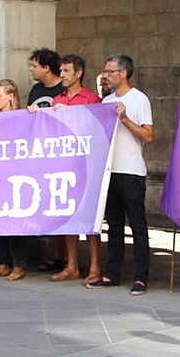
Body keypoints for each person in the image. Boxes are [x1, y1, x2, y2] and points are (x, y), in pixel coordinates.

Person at [88, 54, 154, 295]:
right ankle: (112, 273)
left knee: (137, 224)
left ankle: (141, 277)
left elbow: (148, 135)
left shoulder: (139, 99)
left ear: (123, 73)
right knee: (113, 224)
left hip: (131, 169)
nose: (106, 75)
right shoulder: (106, 100)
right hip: (110, 169)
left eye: (110, 71)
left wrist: (124, 118)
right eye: (105, 71)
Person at [48, 54, 103, 283]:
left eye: (66, 71)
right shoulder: (56, 99)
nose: (62, 75)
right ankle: (71, 266)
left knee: (90, 217)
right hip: (64, 164)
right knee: (68, 214)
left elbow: (96, 128)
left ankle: (94, 266)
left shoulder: (91, 98)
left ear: (78, 73)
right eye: (61, 71)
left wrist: (70, 114)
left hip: (87, 164)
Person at [0, 79, 32, 281]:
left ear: (11, 96)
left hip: (16, 176)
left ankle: (19, 265)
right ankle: (2, 262)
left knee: (15, 221)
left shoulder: (23, 117)